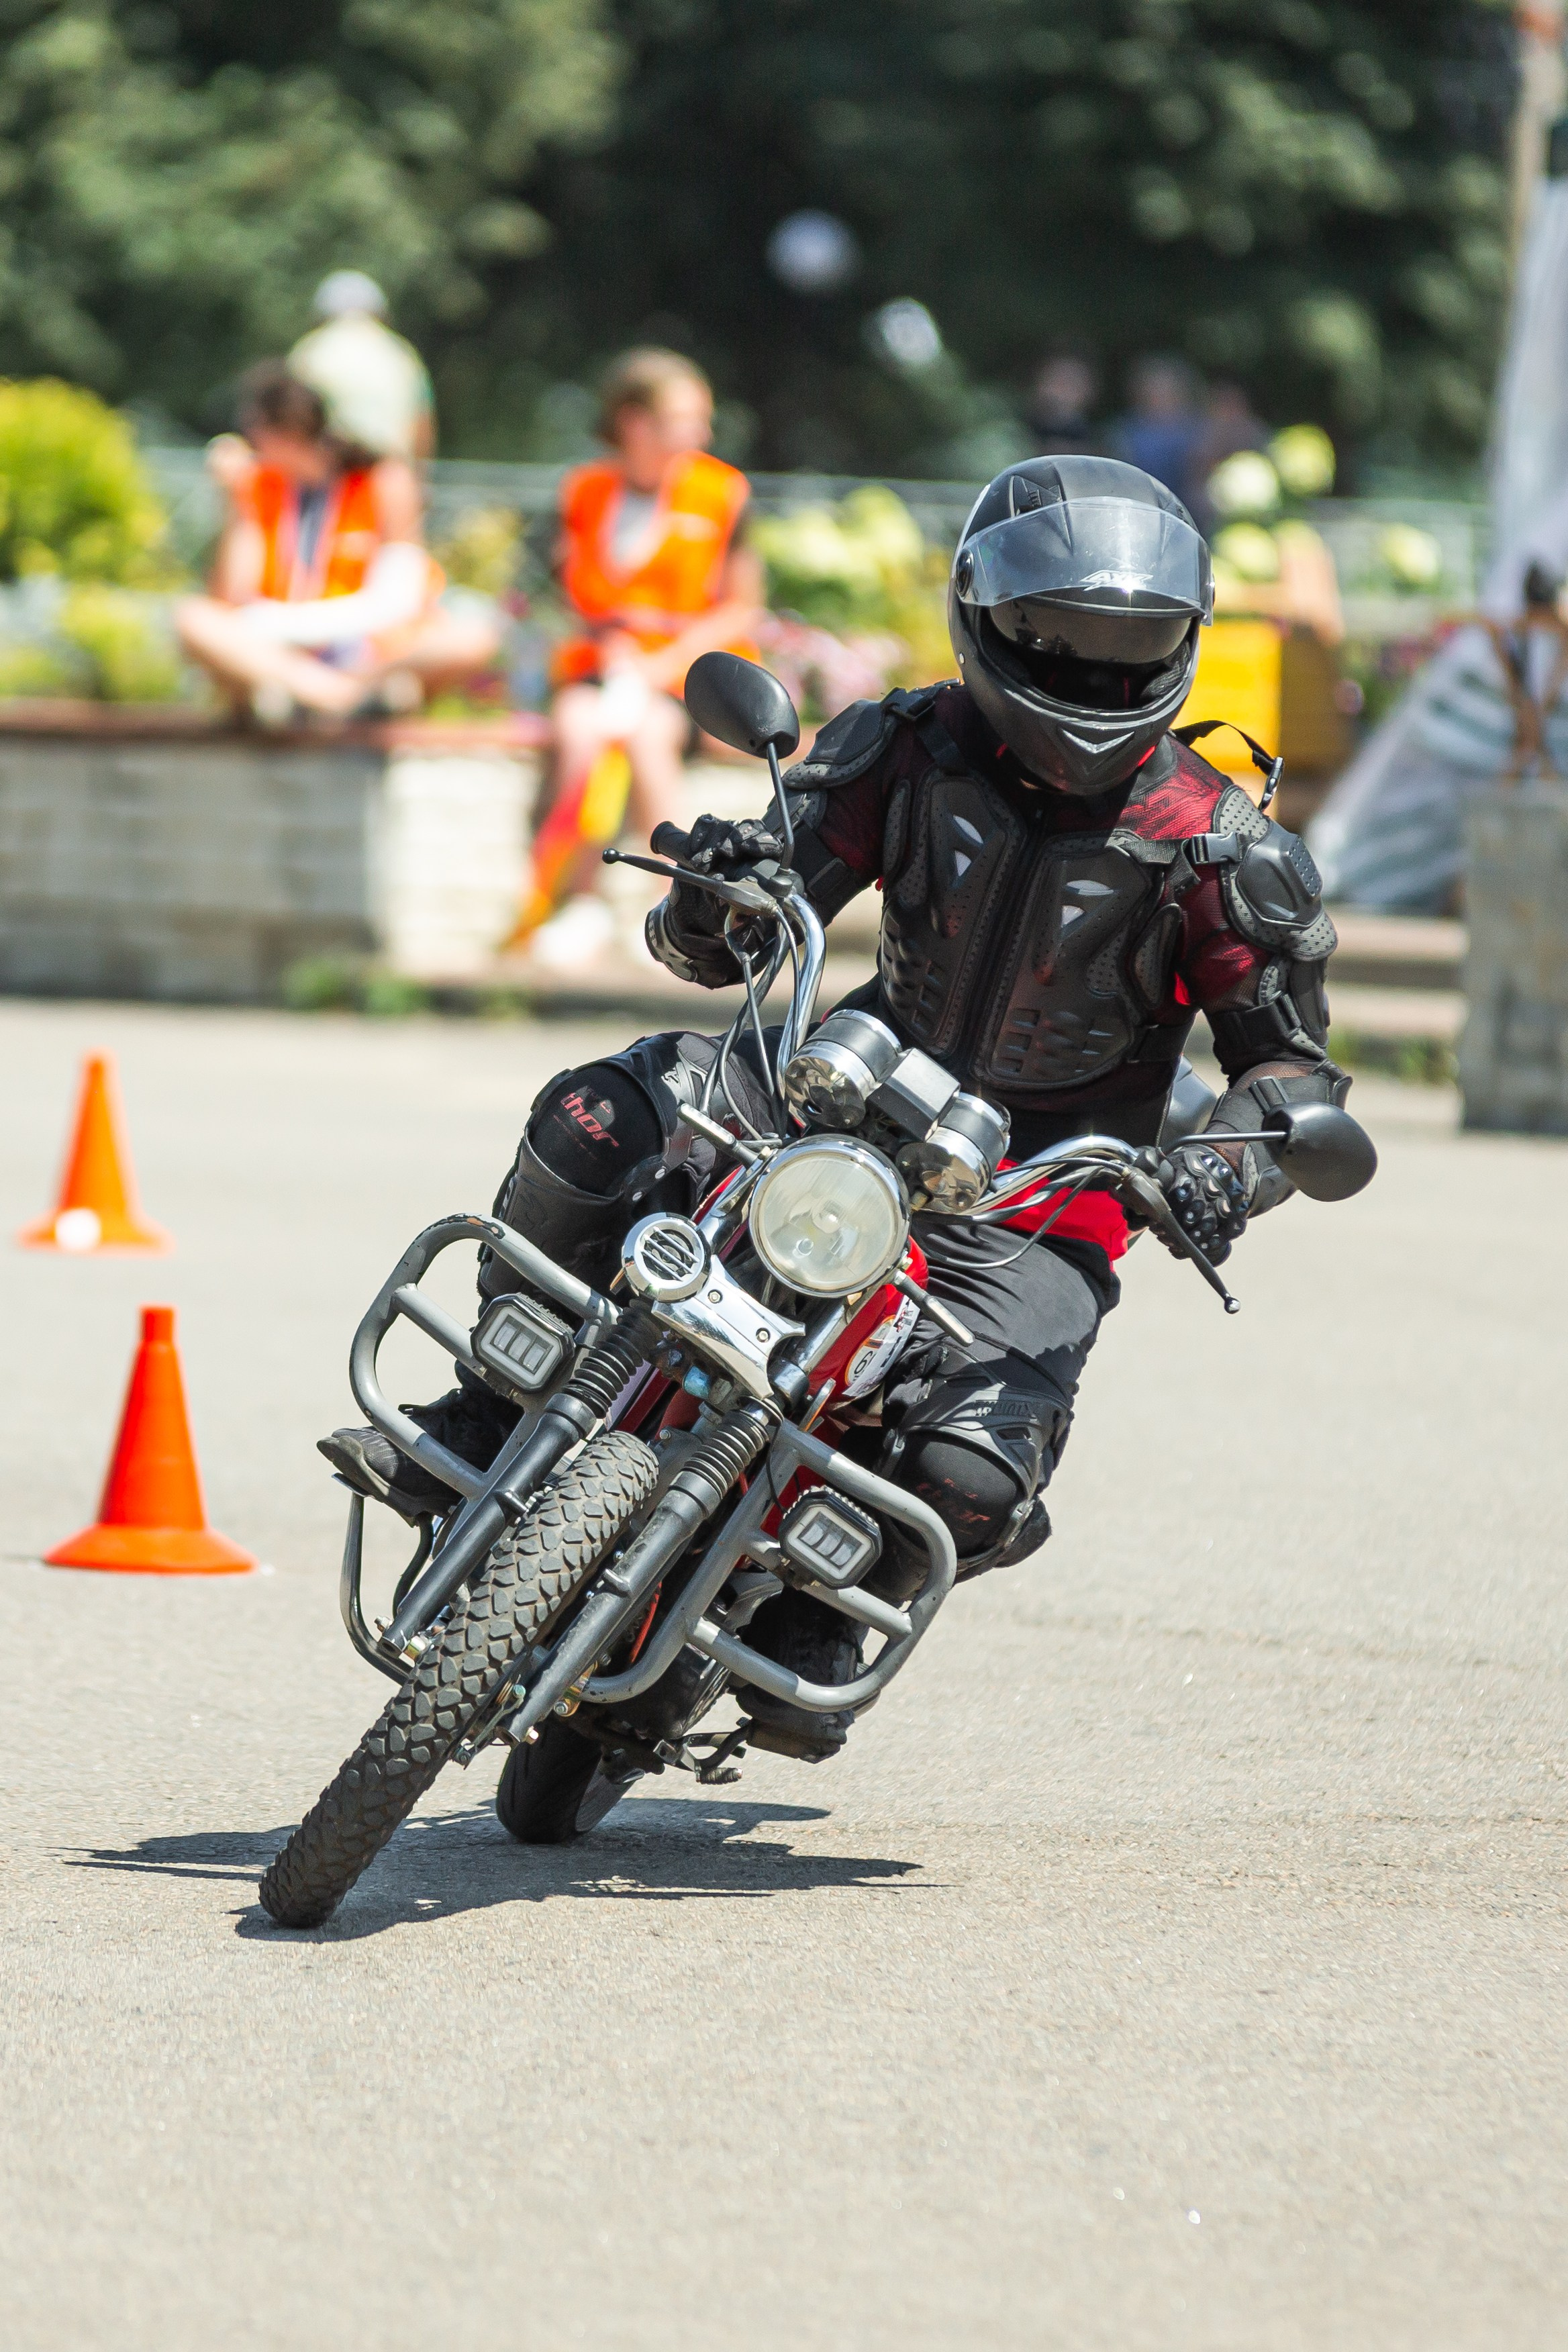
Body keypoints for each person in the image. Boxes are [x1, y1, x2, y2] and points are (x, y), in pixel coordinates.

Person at [322, 456, 1351, 1760]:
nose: (1092, 673)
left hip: (1041, 1194)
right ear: (985, 619)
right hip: (833, 1085)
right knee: (595, 1115)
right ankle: (487, 1396)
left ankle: (816, 1595)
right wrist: (722, 884)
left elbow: (1292, 1073)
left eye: (1128, 647)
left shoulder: (1225, 849)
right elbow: (725, 943)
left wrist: (1227, 1169)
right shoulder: (905, 747)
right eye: (1059, 640)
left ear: (1181, 646)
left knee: (979, 1478)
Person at [521, 347, 765, 967]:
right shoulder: (585, 491)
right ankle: (580, 902)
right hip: (602, 667)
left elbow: (738, 608)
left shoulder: (722, 492)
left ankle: (671, 904)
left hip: (685, 674)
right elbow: (564, 596)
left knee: (647, 738)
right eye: (686, 417)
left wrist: (662, 666)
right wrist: (614, 653)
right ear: (634, 422)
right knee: (579, 734)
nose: (701, 434)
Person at [177, 364, 497, 722]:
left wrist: (304, 628)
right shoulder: (256, 484)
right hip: (281, 654)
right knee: (193, 619)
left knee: (475, 635)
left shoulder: (382, 479)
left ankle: (326, 692)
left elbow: (398, 600)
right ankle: (333, 697)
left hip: (366, 650)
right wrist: (234, 502)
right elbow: (234, 598)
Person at [289, 271, 436, 462]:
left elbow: (288, 423)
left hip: (329, 478)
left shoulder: (309, 351)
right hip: (388, 475)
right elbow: (421, 426)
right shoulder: (401, 354)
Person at [1113, 356, 1205, 507]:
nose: (1161, 397)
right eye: (1154, 390)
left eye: (1168, 390)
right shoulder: (1125, 434)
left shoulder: (1197, 432)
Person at [1024, 352, 1099, 457]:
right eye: (1057, 382)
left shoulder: (1098, 438)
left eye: (1071, 384)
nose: (1062, 392)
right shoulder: (1022, 430)